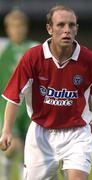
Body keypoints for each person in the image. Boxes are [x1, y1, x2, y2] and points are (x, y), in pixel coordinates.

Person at [0, 5, 92, 180]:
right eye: (61, 25)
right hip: (41, 134)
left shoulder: (91, 60)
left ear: (77, 29)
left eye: (72, 25)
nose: (67, 30)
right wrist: (6, 130)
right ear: (49, 29)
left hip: (77, 132)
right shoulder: (32, 57)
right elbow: (14, 96)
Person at [0, 9, 39, 180]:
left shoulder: (34, 48)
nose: (17, 30)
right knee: (11, 146)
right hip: (6, 105)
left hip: (30, 108)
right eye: (14, 26)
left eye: (21, 26)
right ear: (7, 28)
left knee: (28, 153)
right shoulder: (2, 47)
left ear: (26, 27)